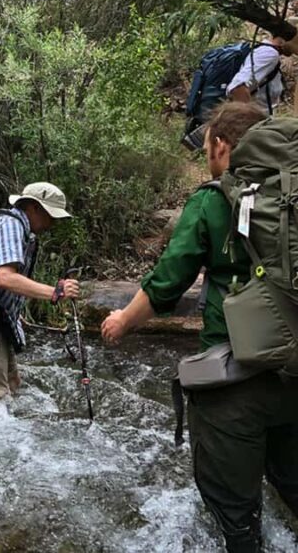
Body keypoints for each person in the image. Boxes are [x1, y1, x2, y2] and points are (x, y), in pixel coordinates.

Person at [101, 102, 298, 553]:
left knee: (235, 515)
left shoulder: (212, 200)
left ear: (223, 146)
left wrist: (123, 321)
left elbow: (169, 281)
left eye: (207, 147)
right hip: (295, 374)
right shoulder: (290, 199)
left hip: (235, 379)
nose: (206, 157)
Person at [0, 182, 79, 406]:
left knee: (11, 387)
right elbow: (5, 278)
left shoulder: (21, 230)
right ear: (34, 207)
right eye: (51, 215)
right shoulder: (10, 226)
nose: (52, 223)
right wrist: (55, 292)